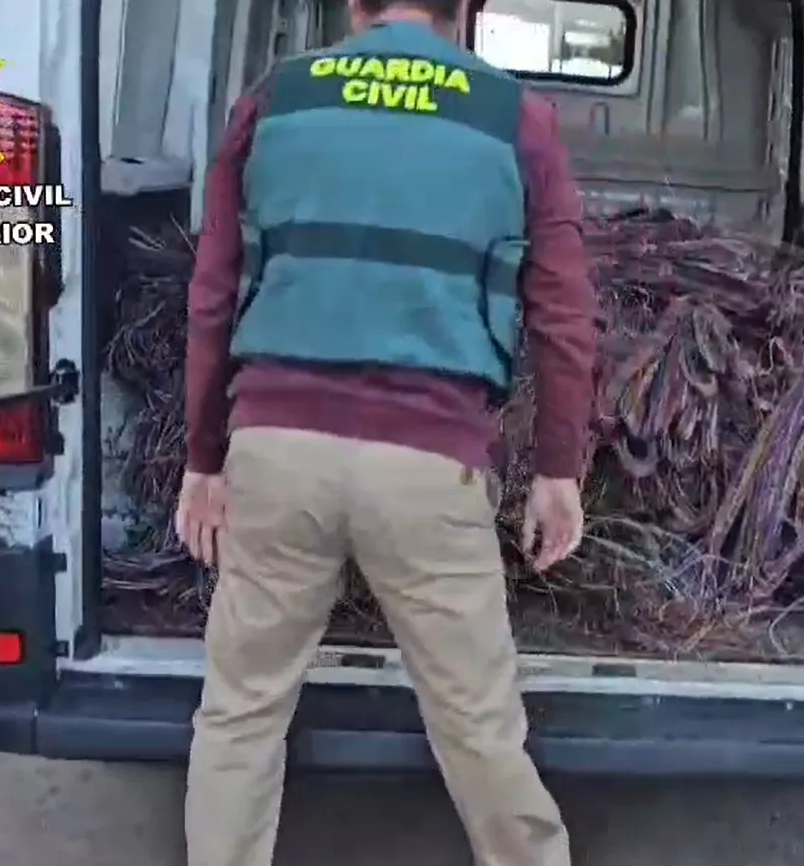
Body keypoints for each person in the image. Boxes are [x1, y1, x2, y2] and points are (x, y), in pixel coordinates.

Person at [171, 0, 597, 862]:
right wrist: (558, 468)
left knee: (241, 712)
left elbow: (213, 288)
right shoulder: (516, 117)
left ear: (353, 6)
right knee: (478, 725)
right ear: (466, 12)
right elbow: (562, 312)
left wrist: (203, 459)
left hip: (276, 451)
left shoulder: (275, 98)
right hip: (428, 464)